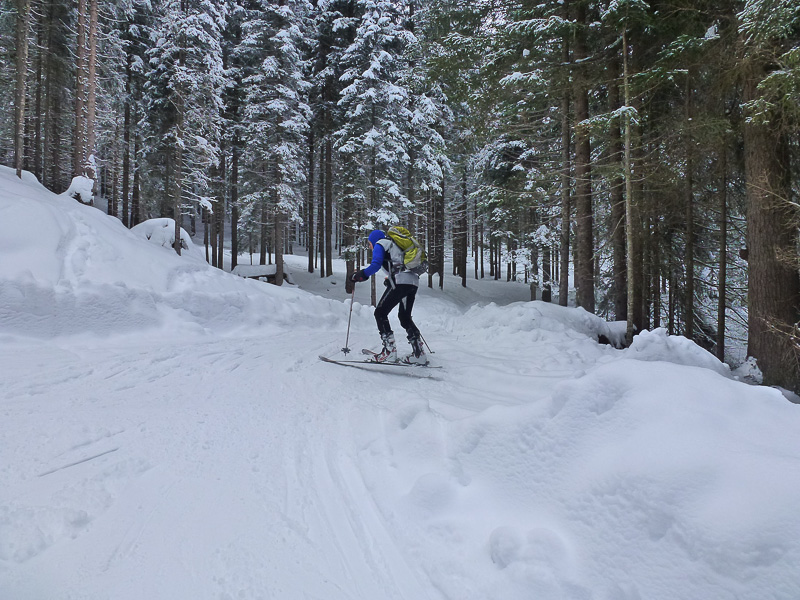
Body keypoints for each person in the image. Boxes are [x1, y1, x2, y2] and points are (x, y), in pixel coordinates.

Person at [351, 229, 426, 364]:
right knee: (405, 317)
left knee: (380, 313)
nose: (370, 246)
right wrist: (390, 279)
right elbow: (398, 265)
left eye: (369, 243)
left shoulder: (380, 243)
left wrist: (360, 275)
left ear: (374, 240)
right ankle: (419, 353)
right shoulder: (394, 245)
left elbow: (375, 265)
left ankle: (389, 352)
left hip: (401, 281)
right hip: (413, 282)